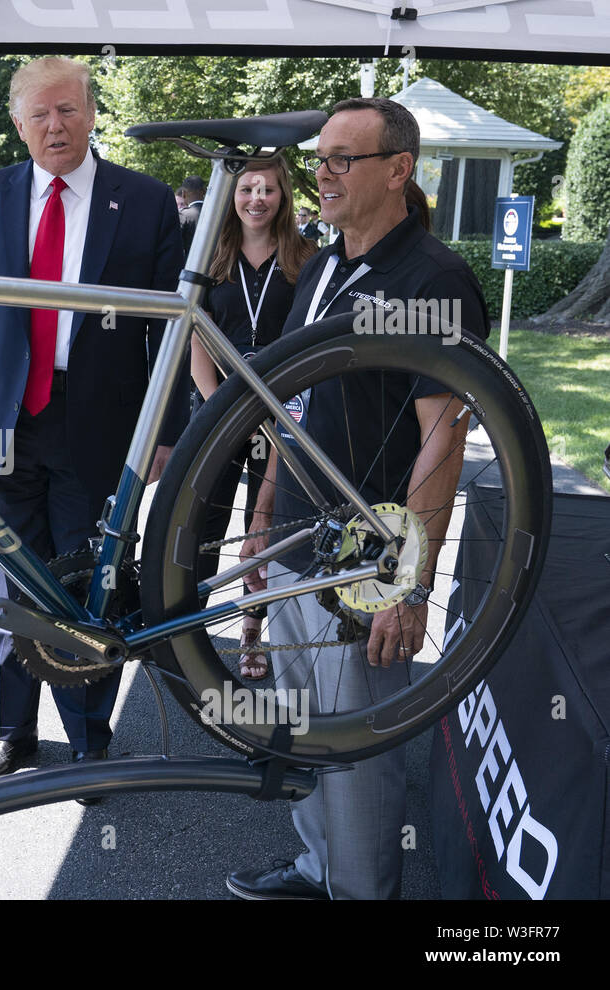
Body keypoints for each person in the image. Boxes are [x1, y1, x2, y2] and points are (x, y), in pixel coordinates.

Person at [227, 97, 487, 900]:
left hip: (366, 562)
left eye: (344, 158)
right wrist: (263, 518)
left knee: (359, 757)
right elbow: (290, 410)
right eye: (322, 157)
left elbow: (444, 439)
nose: (323, 173)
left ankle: (363, 893)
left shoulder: (434, 279)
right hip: (300, 541)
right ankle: (318, 869)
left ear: (398, 171)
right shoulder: (328, 264)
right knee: (308, 735)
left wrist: (410, 585)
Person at [0, 56, 185, 794]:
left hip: (101, 422)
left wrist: (166, 428)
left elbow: (167, 333)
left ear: (91, 113)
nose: (55, 125)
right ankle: (11, 733)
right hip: (7, 416)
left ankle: (88, 740)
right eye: (39, 114)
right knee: (9, 570)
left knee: (87, 578)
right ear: (18, 125)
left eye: (68, 110)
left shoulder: (141, 203)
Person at [189, 156, 316, 680]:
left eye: (267, 189)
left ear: (283, 196)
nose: (256, 199)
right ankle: (184, 626)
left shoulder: (305, 258)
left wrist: (275, 410)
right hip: (219, 404)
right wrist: (221, 404)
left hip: (283, 407)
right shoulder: (209, 255)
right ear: (232, 196)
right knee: (201, 520)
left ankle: (250, 631)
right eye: (247, 189)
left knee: (261, 526)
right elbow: (194, 332)